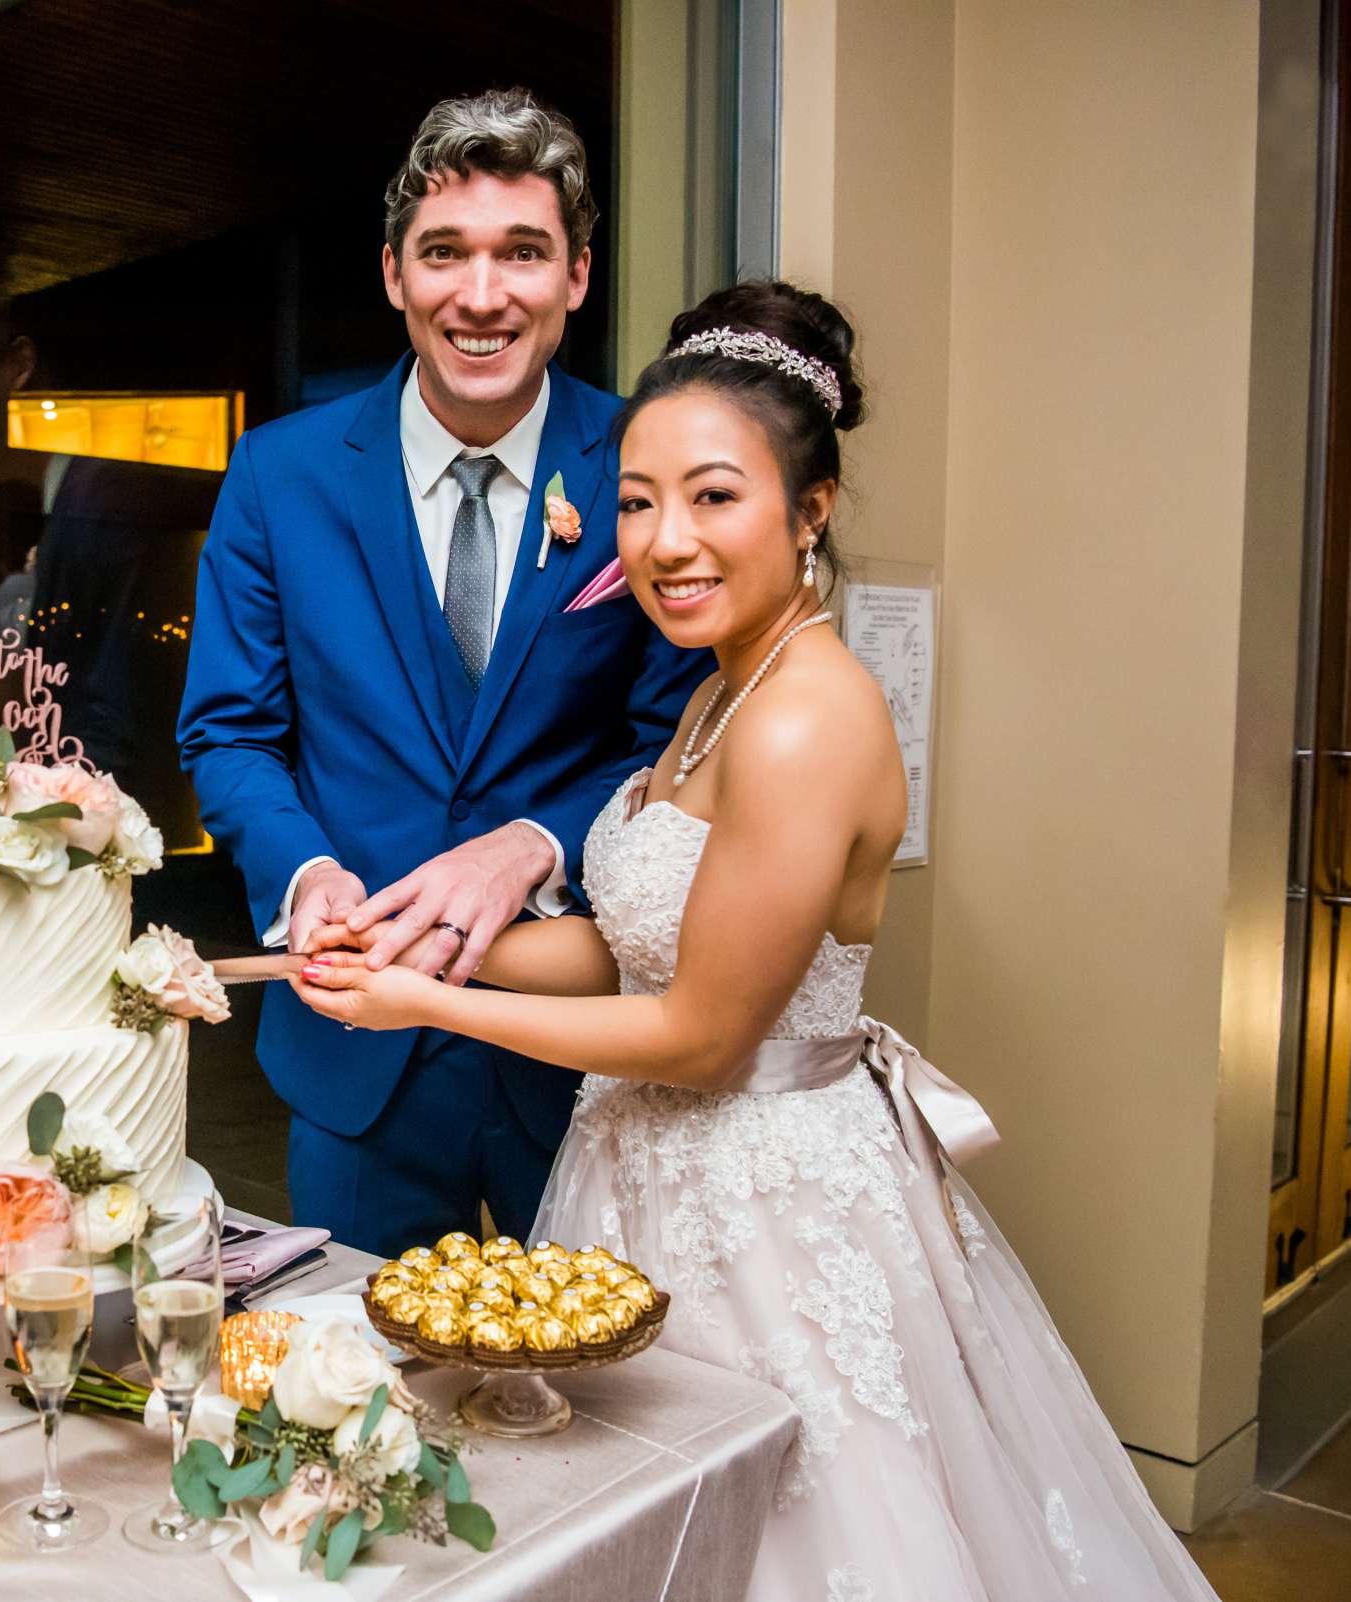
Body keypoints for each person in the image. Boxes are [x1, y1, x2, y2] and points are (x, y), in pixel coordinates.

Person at [292, 282, 1221, 1600]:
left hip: (769, 1204)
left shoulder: (805, 719)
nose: (665, 539)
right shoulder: (725, 693)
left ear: (811, 509)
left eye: (713, 496)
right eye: (635, 500)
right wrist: (420, 945)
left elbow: (707, 1034)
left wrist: (426, 1008)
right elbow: (633, 954)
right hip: (653, 1174)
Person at [176, 89, 710, 1255]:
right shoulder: (279, 474)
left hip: (577, 1048)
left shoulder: (644, 463)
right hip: (354, 1050)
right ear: (392, 274)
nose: (481, 295)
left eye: (523, 252)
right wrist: (303, 866)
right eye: (444, 254)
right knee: (365, 1406)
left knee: (596, 1402)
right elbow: (228, 732)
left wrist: (531, 844)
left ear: (575, 276)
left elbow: (672, 742)